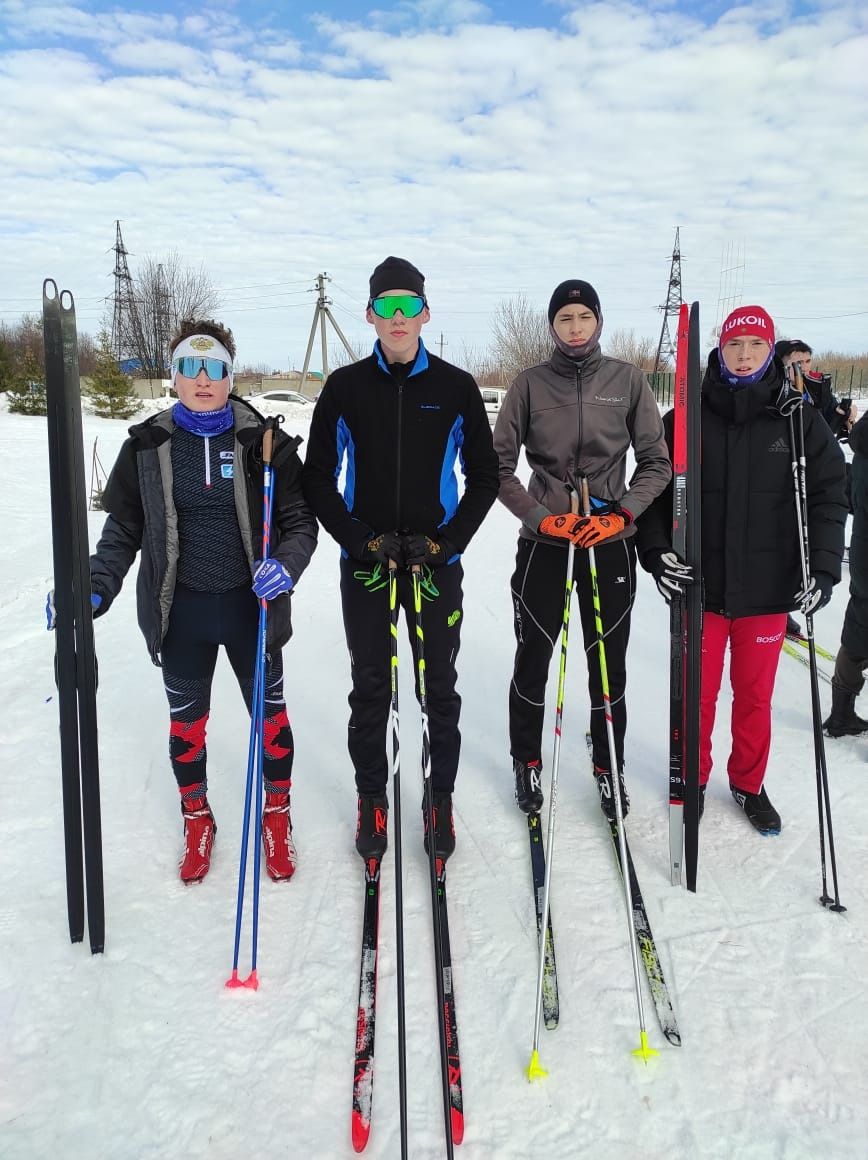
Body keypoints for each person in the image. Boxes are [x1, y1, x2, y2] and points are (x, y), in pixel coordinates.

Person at [79, 319, 317, 883]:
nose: (203, 379)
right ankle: (197, 817)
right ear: (174, 376)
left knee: (272, 720)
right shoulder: (147, 444)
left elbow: (299, 520)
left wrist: (284, 565)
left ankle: (277, 813)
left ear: (230, 375)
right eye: (190, 367)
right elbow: (122, 531)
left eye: (215, 368)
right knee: (187, 726)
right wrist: (94, 585)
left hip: (249, 610)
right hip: (180, 611)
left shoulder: (264, 442)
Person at [301, 257, 499, 861]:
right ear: (369, 315)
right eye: (385, 307)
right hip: (369, 564)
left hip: (434, 563)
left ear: (424, 314)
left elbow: (485, 477)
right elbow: (318, 480)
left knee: (438, 685)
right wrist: (361, 540)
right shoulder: (345, 388)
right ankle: (372, 796)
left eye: (407, 306)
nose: (397, 318)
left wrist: (449, 541)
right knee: (371, 686)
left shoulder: (457, 387)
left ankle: (439, 796)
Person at [639, 306, 847, 834]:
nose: (745, 354)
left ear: (770, 350)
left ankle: (749, 784)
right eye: (736, 345)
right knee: (697, 694)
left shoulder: (798, 418)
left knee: (755, 698)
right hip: (700, 589)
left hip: (769, 588)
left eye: (756, 345)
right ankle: (693, 778)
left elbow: (829, 495)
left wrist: (822, 569)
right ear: (720, 349)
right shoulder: (683, 418)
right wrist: (656, 550)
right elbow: (652, 492)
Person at [493, 279, 671, 822]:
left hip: (608, 539)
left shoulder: (628, 380)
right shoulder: (528, 383)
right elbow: (496, 468)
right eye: (565, 318)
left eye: (583, 317)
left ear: (598, 322)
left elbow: (657, 463)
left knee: (606, 660)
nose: (574, 327)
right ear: (553, 325)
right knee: (535, 655)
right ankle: (526, 758)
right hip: (547, 540)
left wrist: (621, 514)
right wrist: (543, 518)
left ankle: (607, 761)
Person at [824, 410, 868, 736]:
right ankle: (841, 715)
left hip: (863, 553)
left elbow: (851, 493)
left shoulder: (863, 440)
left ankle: (840, 715)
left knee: (859, 625)